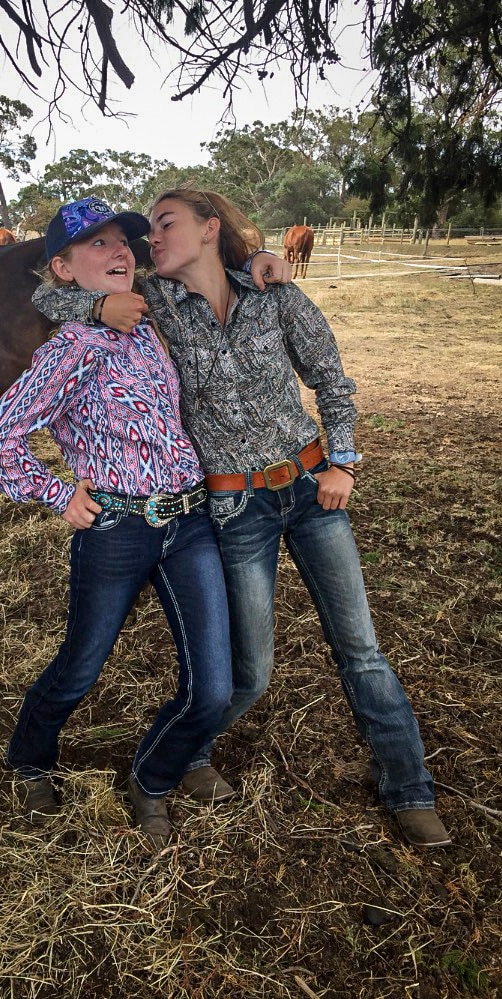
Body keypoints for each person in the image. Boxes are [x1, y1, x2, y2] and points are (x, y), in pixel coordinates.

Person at [33, 186, 451, 849]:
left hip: (313, 491)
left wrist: (342, 460)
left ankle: (409, 788)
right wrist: (96, 303)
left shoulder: (273, 293)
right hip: (234, 510)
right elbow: (48, 298)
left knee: (362, 653)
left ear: (208, 230)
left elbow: (331, 378)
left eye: (165, 224)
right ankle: (181, 759)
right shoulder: (156, 309)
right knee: (249, 674)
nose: (150, 241)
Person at [0, 196, 235, 849]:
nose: (119, 251)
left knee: (213, 688)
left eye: (123, 240)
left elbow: (207, 282)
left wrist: (257, 261)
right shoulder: (71, 349)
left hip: (189, 521)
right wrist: (56, 493)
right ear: (63, 267)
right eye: (98, 245)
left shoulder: (147, 324)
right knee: (81, 667)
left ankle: (154, 776)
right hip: (117, 528)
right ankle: (30, 757)